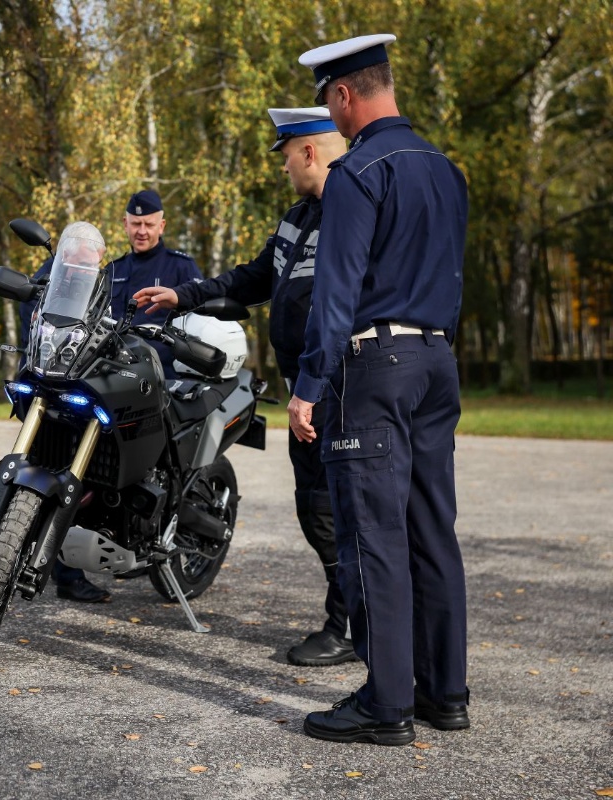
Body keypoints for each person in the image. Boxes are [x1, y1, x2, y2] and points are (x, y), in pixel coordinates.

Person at [287, 34, 470, 745]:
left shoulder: (359, 172)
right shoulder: (443, 167)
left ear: (343, 95)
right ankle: (444, 693)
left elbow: (336, 297)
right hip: (436, 359)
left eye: (327, 103)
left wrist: (309, 385)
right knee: (432, 530)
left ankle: (387, 703)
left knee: (374, 535)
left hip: (375, 366)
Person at [134, 108, 355, 668]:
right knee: (316, 509)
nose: (282, 166)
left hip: (344, 387)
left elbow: (344, 306)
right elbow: (256, 276)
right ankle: (352, 616)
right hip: (308, 386)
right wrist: (183, 296)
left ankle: (351, 624)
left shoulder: (354, 213)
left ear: (308, 151)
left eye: (285, 155)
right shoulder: (298, 216)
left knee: (340, 508)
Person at [19, 192, 201, 603]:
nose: (141, 230)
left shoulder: (181, 267)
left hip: (162, 381)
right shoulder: (111, 269)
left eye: (148, 223)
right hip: (108, 379)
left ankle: (158, 535)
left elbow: (194, 321)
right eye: (134, 224)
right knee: (79, 468)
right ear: (124, 224)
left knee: (159, 468)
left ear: (161, 225)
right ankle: (65, 569)